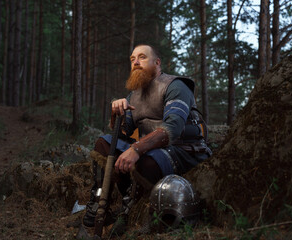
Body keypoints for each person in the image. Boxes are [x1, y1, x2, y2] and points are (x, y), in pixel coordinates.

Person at [82, 44, 212, 236]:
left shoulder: (175, 85)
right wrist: (117, 111)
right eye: (132, 59)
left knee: (146, 160)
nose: (135, 62)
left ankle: (130, 209)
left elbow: (173, 129)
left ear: (157, 63)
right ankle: (100, 201)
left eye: (142, 57)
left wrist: (136, 149)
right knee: (104, 143)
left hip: (184, 150)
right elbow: (123, 134)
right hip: (153, 150)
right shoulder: (133, 95)